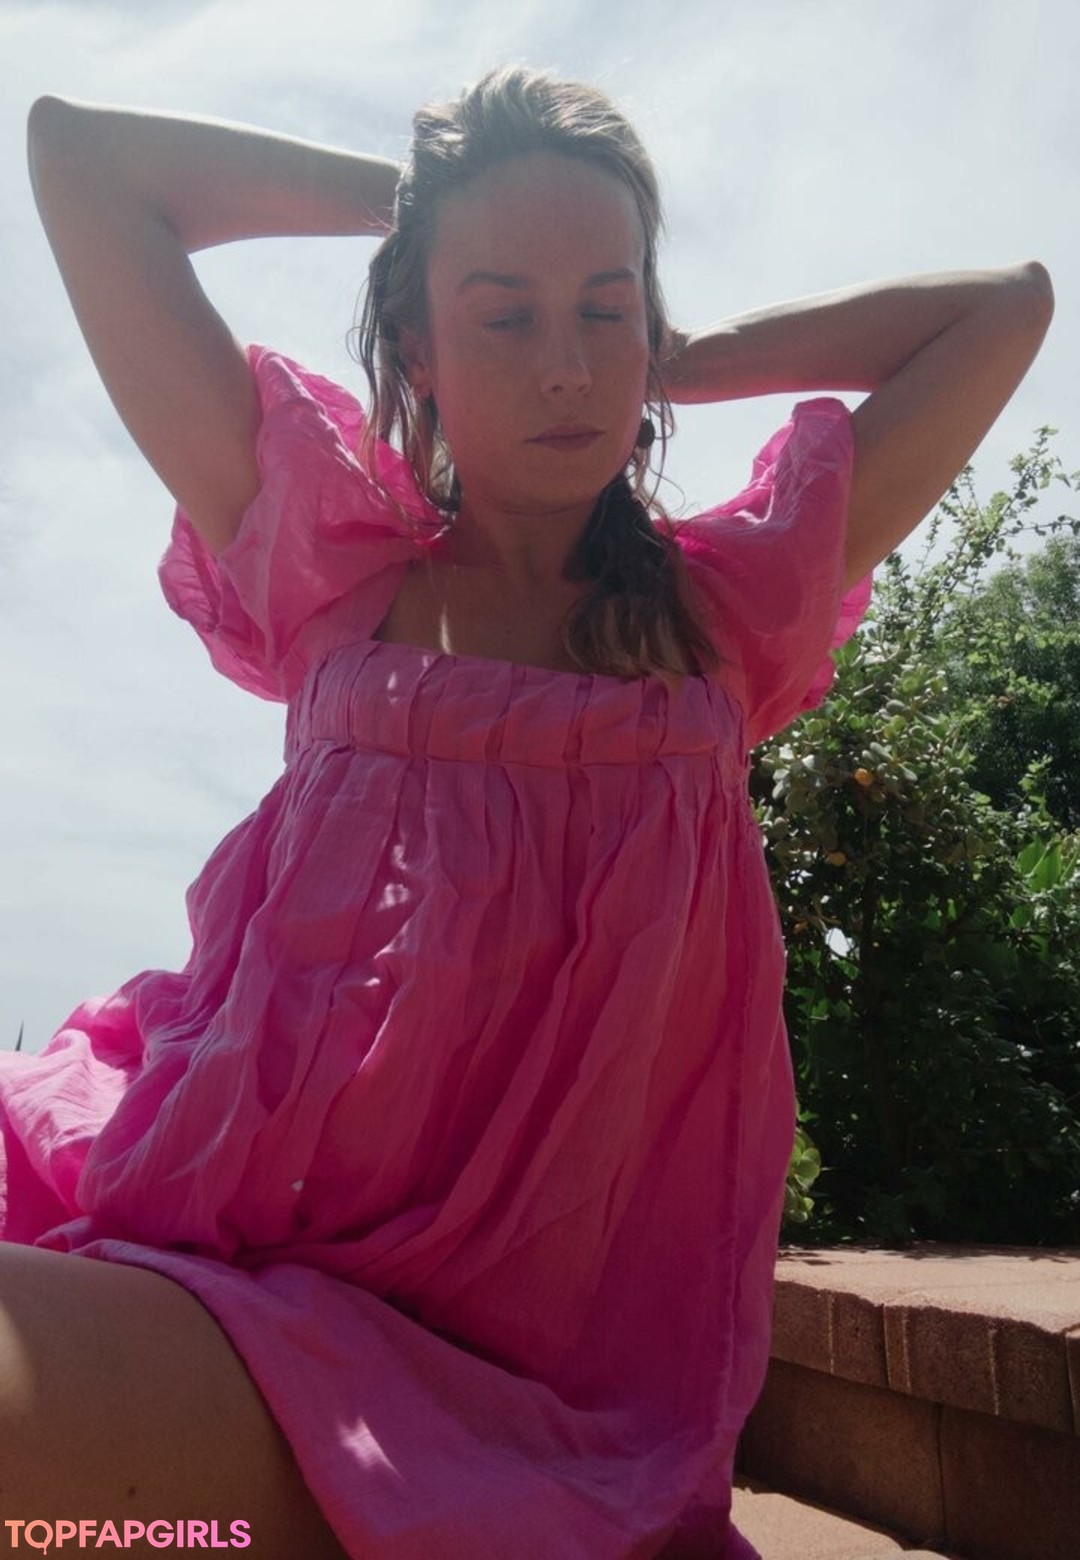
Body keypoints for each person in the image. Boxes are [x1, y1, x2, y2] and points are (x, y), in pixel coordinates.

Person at [3, 65, 1051, 1560]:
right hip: (227, 1248)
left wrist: (681, 352)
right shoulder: (330, 565)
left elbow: (1009, 307)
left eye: (602, 313)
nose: (567, 367)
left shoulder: (720, 624)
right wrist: (427, 208)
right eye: (503, 317)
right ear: (418, 348)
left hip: (542, 1395)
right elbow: (80, 158)